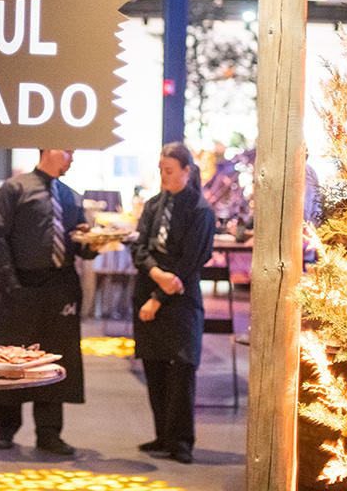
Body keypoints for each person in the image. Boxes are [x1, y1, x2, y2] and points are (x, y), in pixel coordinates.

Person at [0, 148, 99, 457]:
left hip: (61, 286)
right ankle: (6, 430)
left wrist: (95, 244)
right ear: (48, 150)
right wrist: (10, 283)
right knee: (12, 357)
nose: (72, 158)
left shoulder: (72, 197)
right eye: (67, 152)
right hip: (21, 285)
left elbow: (81, 247)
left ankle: (49, 433)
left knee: (56, 359)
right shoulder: (16, 188)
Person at [130, 142, 215, 465]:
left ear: (186, 171)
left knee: (181, 369)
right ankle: (162, 435)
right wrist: (155, 273)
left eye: (169, 171)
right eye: (161, 171)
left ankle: (181, 441)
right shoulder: (153, 206)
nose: (164, 176)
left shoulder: (200, 211)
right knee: (154, 366)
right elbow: (139, 247)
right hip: (150, 291)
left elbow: (192, 258)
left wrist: (162, 292)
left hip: (180, 301)